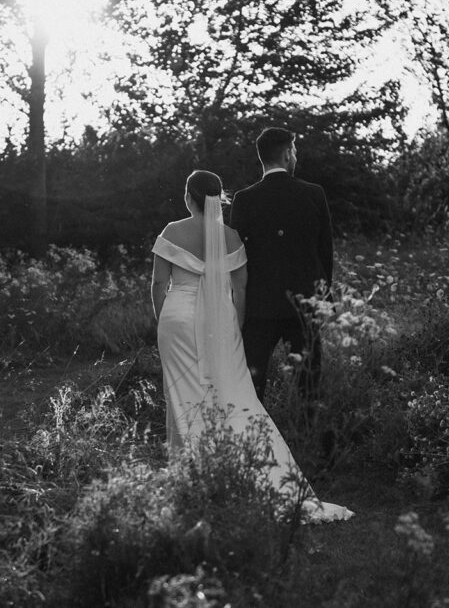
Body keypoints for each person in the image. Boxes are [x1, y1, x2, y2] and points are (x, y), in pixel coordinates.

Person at [151, 170, 352, 524]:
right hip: (222, 320)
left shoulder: (172, 231)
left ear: (188, 197)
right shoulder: (230, 238)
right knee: (231, 391)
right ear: (219, 199)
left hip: (178, 318)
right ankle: (241, 465)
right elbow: (240, 289)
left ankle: (188, 473)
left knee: (183, 391)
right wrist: (235, 325)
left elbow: (158, 282)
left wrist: (162, 318)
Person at [229, 127, 332, 407]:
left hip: (259, 307)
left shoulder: (244, 199)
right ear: (287, 154)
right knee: (310, 386)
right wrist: (324, 300)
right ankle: (312, 445)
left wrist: (238, 303)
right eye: (295, 151)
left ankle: (252, 441)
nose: (296, 156)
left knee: (251, 384)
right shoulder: (314, 194)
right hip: (305, 305)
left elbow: (236, 258)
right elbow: (325, 253)